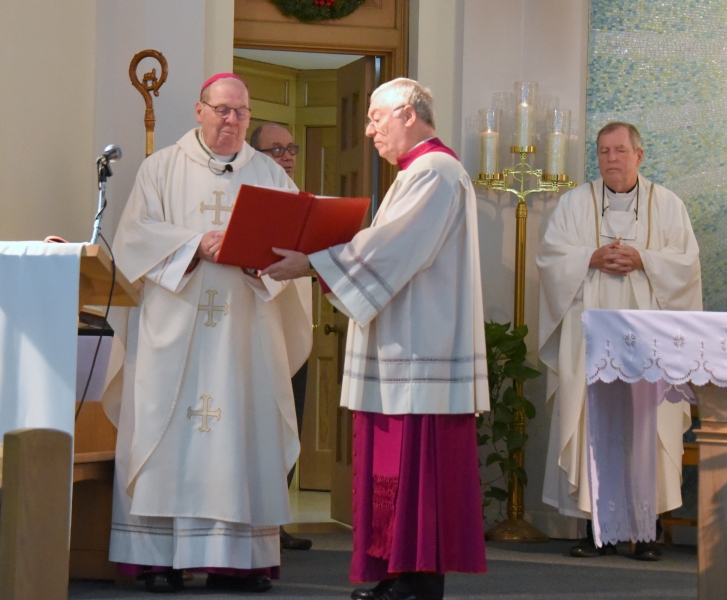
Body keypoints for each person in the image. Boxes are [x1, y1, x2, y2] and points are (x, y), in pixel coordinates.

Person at [263, 77, 488, 600]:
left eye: (375, 118)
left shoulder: (436, 172)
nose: (367, 131)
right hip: (403, 346)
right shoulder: (417, 173)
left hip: (420, 350)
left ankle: (417, 578)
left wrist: (312, 262)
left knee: (416, 473)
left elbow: (390, 250)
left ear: (408, 114)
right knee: (396, 472)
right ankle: (399, 573)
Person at [106, 73, 313, 593]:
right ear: (199, 111)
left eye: (241, 112)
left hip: (244, 334)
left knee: (240, 435)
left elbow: (294, 246)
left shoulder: (270, 175)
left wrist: (259, 262)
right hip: (174, 332)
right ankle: (157, 558)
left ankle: (236, 562)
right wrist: (196, 244)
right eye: (222, 110)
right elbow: (133, 239)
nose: (232, 120)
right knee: (163, 430)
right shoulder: (161, 169)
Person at [536, 122, 702, 560]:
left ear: (639, 156)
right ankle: (596, 528)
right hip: (590, 337)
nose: (611, 158)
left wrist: (644, 259)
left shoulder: (667, 206)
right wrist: (589, 258)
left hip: (649, 339)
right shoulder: (575, 204)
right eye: (604, 151)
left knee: (647, 424)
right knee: (593, 423)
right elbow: (550, 259)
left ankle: (647, 530)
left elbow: (687, 266)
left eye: (620, 150)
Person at [249, 121, 312, 552]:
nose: (287, 156)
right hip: (260, 326)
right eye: (275, 150)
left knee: (292, 415)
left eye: (290, 148)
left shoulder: (302, 201)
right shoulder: (251, 199)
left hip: (298, 322)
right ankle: (255, 518)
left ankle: (278, 517)